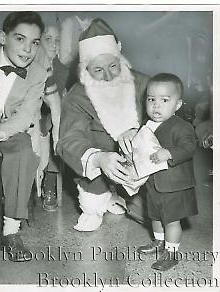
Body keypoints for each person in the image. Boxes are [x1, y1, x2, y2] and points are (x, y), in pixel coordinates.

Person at [57, 18, 149, 232]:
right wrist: (98, 159)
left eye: (113, 66)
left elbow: (170, 121)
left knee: (155, 215)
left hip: (143, 164)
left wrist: (140, 133)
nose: (108, 77)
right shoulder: (76, 96)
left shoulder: (145, 83)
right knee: (91, 206)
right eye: (98, 70)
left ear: (119, 55)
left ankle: (122, 197)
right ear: (85, 68)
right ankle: (103, 197)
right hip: (99, 165)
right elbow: (68, 141)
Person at [0, 11, 47, 262]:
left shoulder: (37, 73)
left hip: (6, 128)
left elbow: (26, 115)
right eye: (20, 39)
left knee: (24, 149)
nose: (28, 49)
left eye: (34, 42)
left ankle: (11, 231)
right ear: (2, 37)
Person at [137, 73, 198, 271]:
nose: (156, 106)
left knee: (171, 220)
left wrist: (169, 153)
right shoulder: (146, 125)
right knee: (155, 216)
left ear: (177, 105)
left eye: (164, 100)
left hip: (174, 185)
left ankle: (172, 254)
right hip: (154, 183)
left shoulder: (182, 127)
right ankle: (159, 242)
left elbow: (189, 148)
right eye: (151, 99)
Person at [35, 23, 70, 211]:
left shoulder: (62, 70)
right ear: (38, 41)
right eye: (48, 39)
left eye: (57, 41)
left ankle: (50, 179)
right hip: (30, 118)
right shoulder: (28, 63)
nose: (54, 45)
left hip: (49, 120)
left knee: (59, 123)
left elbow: (59, 102)